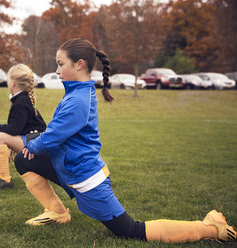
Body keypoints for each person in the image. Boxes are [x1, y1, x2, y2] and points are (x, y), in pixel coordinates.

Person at [15, 38, 236, 243]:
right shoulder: (76, 93)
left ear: (79, 64)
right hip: (68, 168)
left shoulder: (78, 100)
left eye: (60, 64)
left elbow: (51, 138)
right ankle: (57, 212)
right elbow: (54, 134)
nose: (57, 70)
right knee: (24, 160)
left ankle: (210, 228)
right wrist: (32, 143)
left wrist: (32, 144)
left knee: (131, 231)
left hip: (85, 178)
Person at [0, 64, 49, 190]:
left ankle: (5, 181)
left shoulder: (21, 101)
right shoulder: (22, 99)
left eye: (8, 79)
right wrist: (15, 142)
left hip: (39, 146)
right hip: (37, 142)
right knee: (3, 137)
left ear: (13, 84)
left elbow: (14, 129)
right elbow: (23, 127)